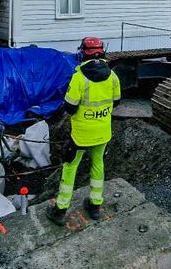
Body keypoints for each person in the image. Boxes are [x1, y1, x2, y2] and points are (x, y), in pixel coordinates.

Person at [46, 37, 121, 226]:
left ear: (83, 53)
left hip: (80, 135)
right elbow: (117, 101)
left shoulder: (79, 78)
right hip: (103, 132)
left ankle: (61, 209)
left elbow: (70, 107)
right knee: (98, 165)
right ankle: (95, 205)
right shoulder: (113, 76)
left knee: (70, 168)